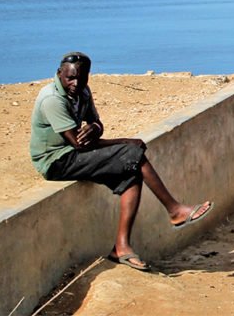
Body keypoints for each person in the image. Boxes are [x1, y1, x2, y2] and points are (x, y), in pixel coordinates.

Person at [29, 52, 213, 272]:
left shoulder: (82, 92)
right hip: (56, 160)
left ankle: (121, 248)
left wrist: (95, 128)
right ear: (59, 74)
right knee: (132, 154)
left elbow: (95, 123)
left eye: (81, 78)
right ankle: (174, 210)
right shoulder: (52, 99)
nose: (75, 83)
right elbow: (79, 145)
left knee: (131, 173)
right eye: (70, 78)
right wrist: (125, 142)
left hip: (74, 153)